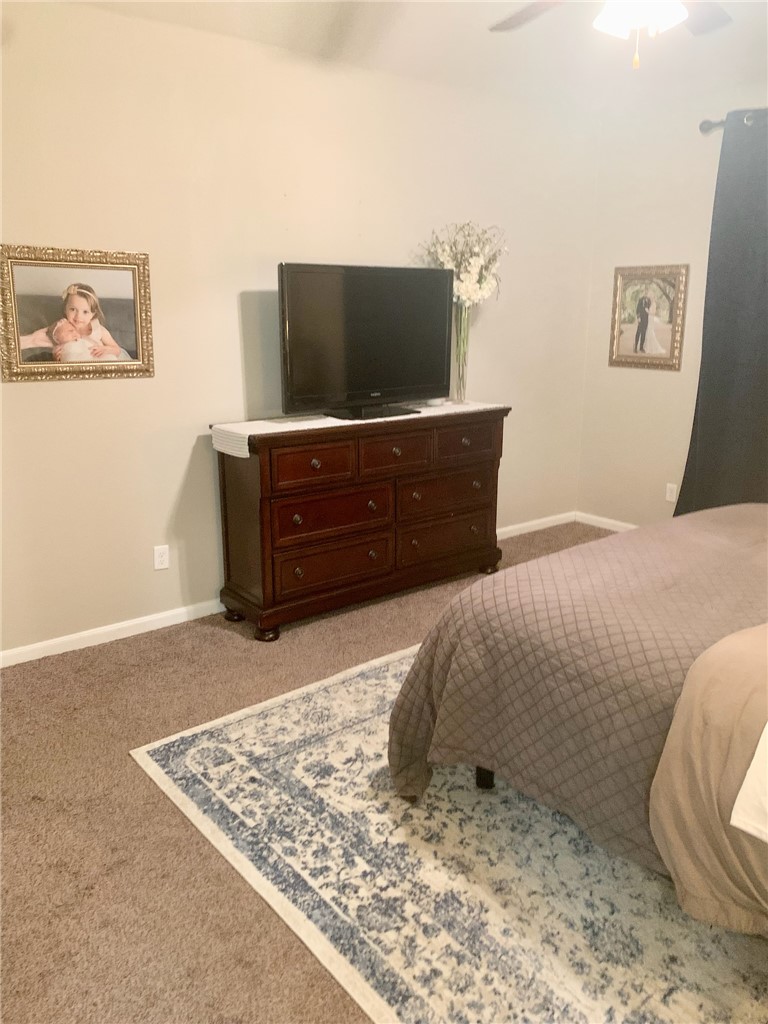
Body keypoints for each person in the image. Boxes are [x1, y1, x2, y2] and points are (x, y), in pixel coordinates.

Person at [49, 283, 131, 362]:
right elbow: (62, 351)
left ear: (93, 314)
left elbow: (117, 350)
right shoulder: (62, 329)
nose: (78, 316)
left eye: (85, 312)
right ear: (65, 309)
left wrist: (106, 349)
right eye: (73, 309)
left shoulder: (99, 330)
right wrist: (57, 357)